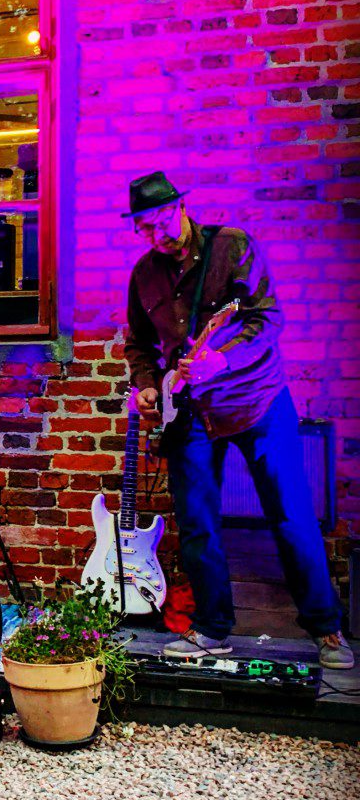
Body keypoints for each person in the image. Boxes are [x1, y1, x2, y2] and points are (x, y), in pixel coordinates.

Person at [123, 171, 353, 670]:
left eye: (162, 221)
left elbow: (267, 317)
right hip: (190, 410)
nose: (157, 234)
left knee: (291, 515)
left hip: (257, 400)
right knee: (197, 523)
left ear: (181, 208)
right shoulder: (143, 274)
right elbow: (139, 344)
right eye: (145, 227)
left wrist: (221, 360)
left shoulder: (231, 246)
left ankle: (327, 630)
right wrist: (147, 384)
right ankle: (212, 628)